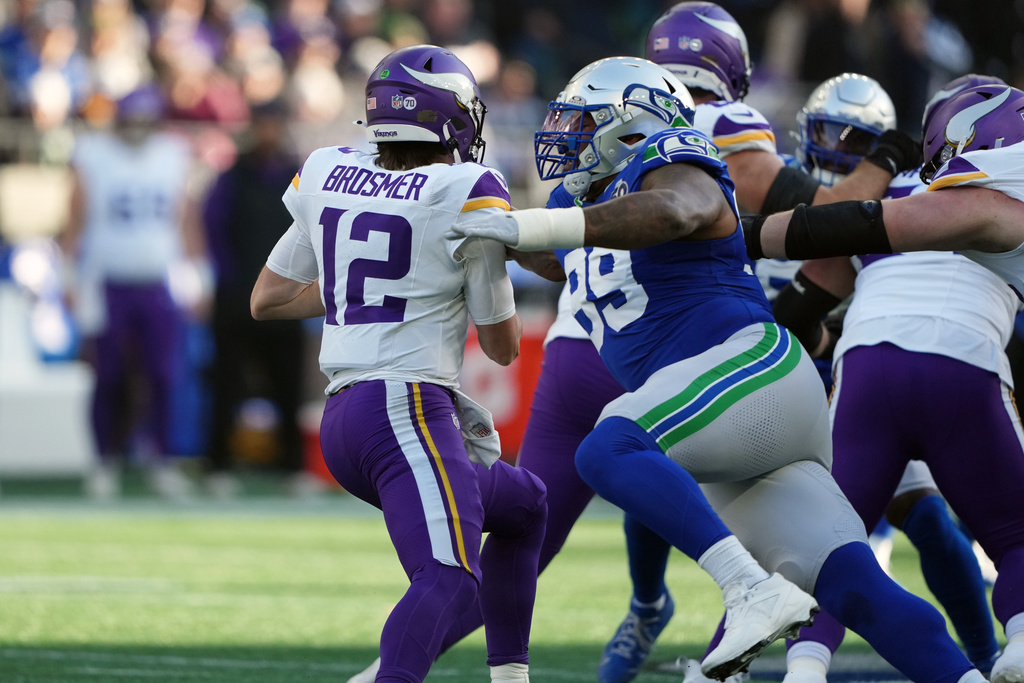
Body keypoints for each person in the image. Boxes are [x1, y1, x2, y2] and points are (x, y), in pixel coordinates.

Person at [450, 54, 989, 683]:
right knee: (852, 584)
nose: (565, 134)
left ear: (631, 125)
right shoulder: (582, 202)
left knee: (609, 444)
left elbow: (675, 210)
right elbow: (567, 252)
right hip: (733, 421)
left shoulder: (677, 156)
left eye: (582, 119)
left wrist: (526, 223)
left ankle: (749, 592)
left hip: (751, 369)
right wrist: (490, 237)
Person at [248, 45, 550, 683]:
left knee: (524, 506)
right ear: (455, 117)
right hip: (404, 409)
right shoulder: (466, 188)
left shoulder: (328, 171)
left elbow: (267, 299)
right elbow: (501, 346)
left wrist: (373, 293)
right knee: (448, 580)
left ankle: (511, 677)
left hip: (345, 421)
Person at [744, 82, 1024, 683]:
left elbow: (835, 249)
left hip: (870, 370)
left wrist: (739, 235)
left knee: (829, 549)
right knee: (1012, 534)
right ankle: (1015, 646)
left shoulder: (919, 191)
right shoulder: (999, 203)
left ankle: (805, 667)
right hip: (964, 367)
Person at [60, 85, 206, 500]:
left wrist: (199, 276)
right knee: (107, 376)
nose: (139, 128)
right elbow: (73, 218)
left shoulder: (172, 153)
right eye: (132, 119)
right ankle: (103, 461)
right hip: (106, 281)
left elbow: (186, 218)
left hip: (159, 281)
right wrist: (68, 276)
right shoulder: (93, 153)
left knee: (164, 375)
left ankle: (163, 461)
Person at [202, 97, 313, 498]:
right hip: (236, 299)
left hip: (286, 299)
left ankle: (293, 468)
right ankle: (217, 465)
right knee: (227, 385)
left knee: (288, 385)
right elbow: (214, 231)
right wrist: (230, 283)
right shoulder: (233, 176)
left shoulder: (296, 175)